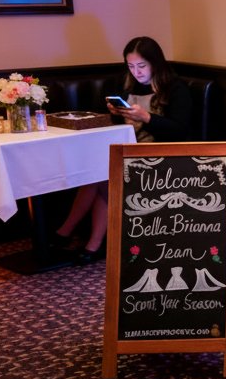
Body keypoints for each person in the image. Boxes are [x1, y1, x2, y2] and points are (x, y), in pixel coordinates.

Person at [53, 36, 193, 264]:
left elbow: (179, 130)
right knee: (97, 174)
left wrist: (147, 117)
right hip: (126, 150)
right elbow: (118, 126)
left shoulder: (175, 89)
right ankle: (87, 242)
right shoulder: (126, 85)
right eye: (131, 66)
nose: (136, 72)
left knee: (103, 176)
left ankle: (70, 234)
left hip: (160, 156)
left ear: (155, 63)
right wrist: (115, 114)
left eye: (141, 66)